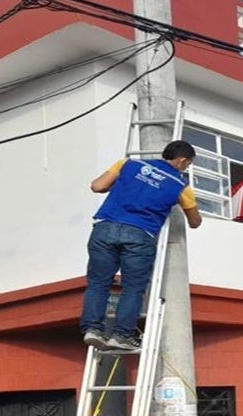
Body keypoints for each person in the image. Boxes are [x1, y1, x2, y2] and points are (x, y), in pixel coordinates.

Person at [79, 140, 204, 351]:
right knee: (132, 288)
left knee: (98, 283)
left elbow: (97, 186)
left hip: (105, 228)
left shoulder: (127, 164)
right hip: (140, 236)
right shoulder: (180, 185)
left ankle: (92, 329)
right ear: (182, 160)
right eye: (188, 164)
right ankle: (122, 336)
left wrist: (121, 186)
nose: (186, 168)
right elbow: (195, 222)